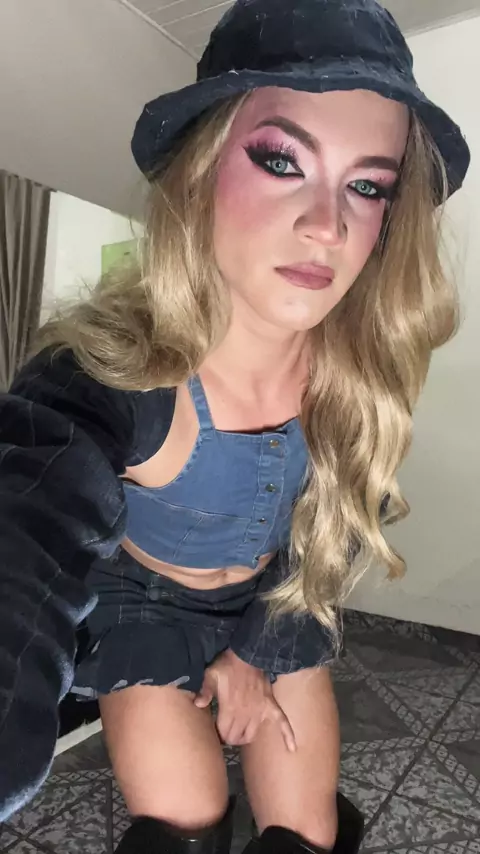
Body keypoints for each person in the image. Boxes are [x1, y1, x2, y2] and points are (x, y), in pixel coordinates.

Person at [0, 0, 470, 850]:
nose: (327, 225)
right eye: (282, 160)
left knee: (306, 834)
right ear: (202, 166)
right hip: (143, 615)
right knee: (182, 824)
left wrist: (254, 655)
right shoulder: (105, 376)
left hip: (278, 601)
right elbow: (21, 535)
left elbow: (331, 539)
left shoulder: (355, 379)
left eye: (367, 186)